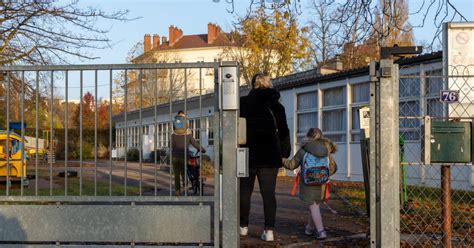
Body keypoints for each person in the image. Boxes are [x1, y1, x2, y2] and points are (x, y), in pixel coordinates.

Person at [239, 73, 291, 242]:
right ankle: (269, 230)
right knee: (268, 194)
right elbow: (283, 132)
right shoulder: (277, 107)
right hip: (270, 155)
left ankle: (243, 227)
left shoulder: (243, 103)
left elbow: (235, 128)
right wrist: (284, 153)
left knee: (245, 192)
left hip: (247, 154)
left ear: (253, 84)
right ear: (269, 84)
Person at [282, 128, 337, 240]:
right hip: (322, 183)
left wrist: (281, 159)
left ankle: (321, 231)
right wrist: (323, 174)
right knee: (314, 206)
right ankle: (309, 228)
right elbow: (333, 168)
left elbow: (292, 165)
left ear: (308, 137)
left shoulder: (304, 150)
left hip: (308, 183)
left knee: (313, 206)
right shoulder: (326, 150)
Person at [171, 111, 206, 196]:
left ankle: (177, 191)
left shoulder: (173, 135)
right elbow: (195, 144)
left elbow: (171, 146)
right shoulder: (188, 135)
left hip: (175, 156)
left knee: (176, 175)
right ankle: (185, 186)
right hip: (184, 156)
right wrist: (202, 149)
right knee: (183, 172)